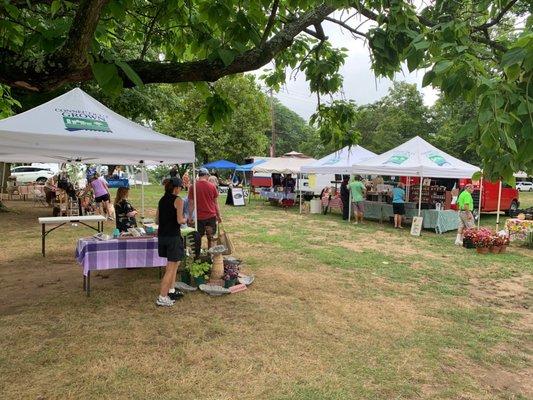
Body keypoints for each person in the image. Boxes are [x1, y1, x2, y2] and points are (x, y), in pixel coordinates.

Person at [156, 177, 186, 307]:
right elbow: (180, 220)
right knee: (170, 268)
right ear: (176, 188)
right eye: (180, 188)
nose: (180, 190)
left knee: (176, 263)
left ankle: (172, 290)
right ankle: (162, 297)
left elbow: (157, 220)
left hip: (162, 236)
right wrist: (186, 219)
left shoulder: (162, 200)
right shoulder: (178, 200)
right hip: (173, 236)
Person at [188, 167, 221, 249]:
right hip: (211, 216)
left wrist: (190, 216)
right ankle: (211, 255)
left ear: (199, 175)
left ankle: (197, 256)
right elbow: (215, 203)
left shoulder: (193, 187)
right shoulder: (212, 186)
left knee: (198, 237)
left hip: (199, 217)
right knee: (211, 237)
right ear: (206, 175)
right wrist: (219, 215)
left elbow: (191, 203)